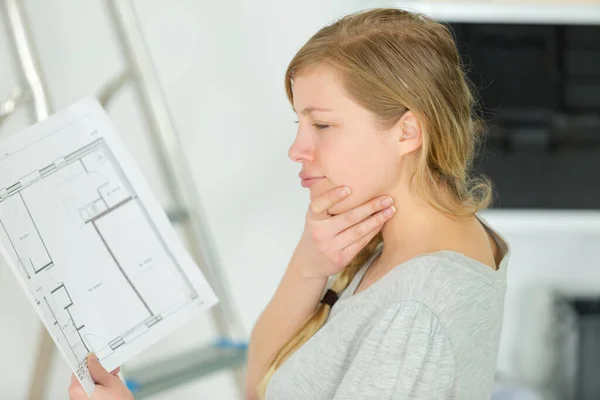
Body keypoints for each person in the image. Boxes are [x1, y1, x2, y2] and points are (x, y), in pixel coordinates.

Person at [68, 7, 510, 400]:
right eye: (299, 122)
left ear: (407, 132)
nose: (297, 149)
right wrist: (309, 264)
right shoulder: (409, 236)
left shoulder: (413, 316)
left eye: (321, 124)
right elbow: (260, 383)